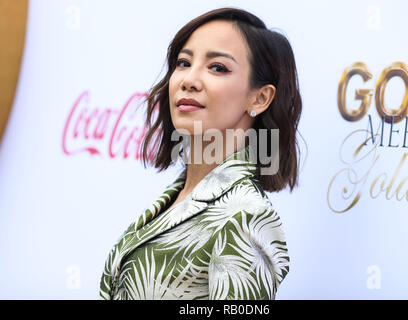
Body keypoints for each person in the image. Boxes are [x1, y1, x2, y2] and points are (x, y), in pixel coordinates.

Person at [99, 6, 303, 300]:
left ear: (260, 97)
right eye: (183, 62)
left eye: (217, 67)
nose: (189, 80)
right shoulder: (177, 196)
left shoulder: (245, 217)